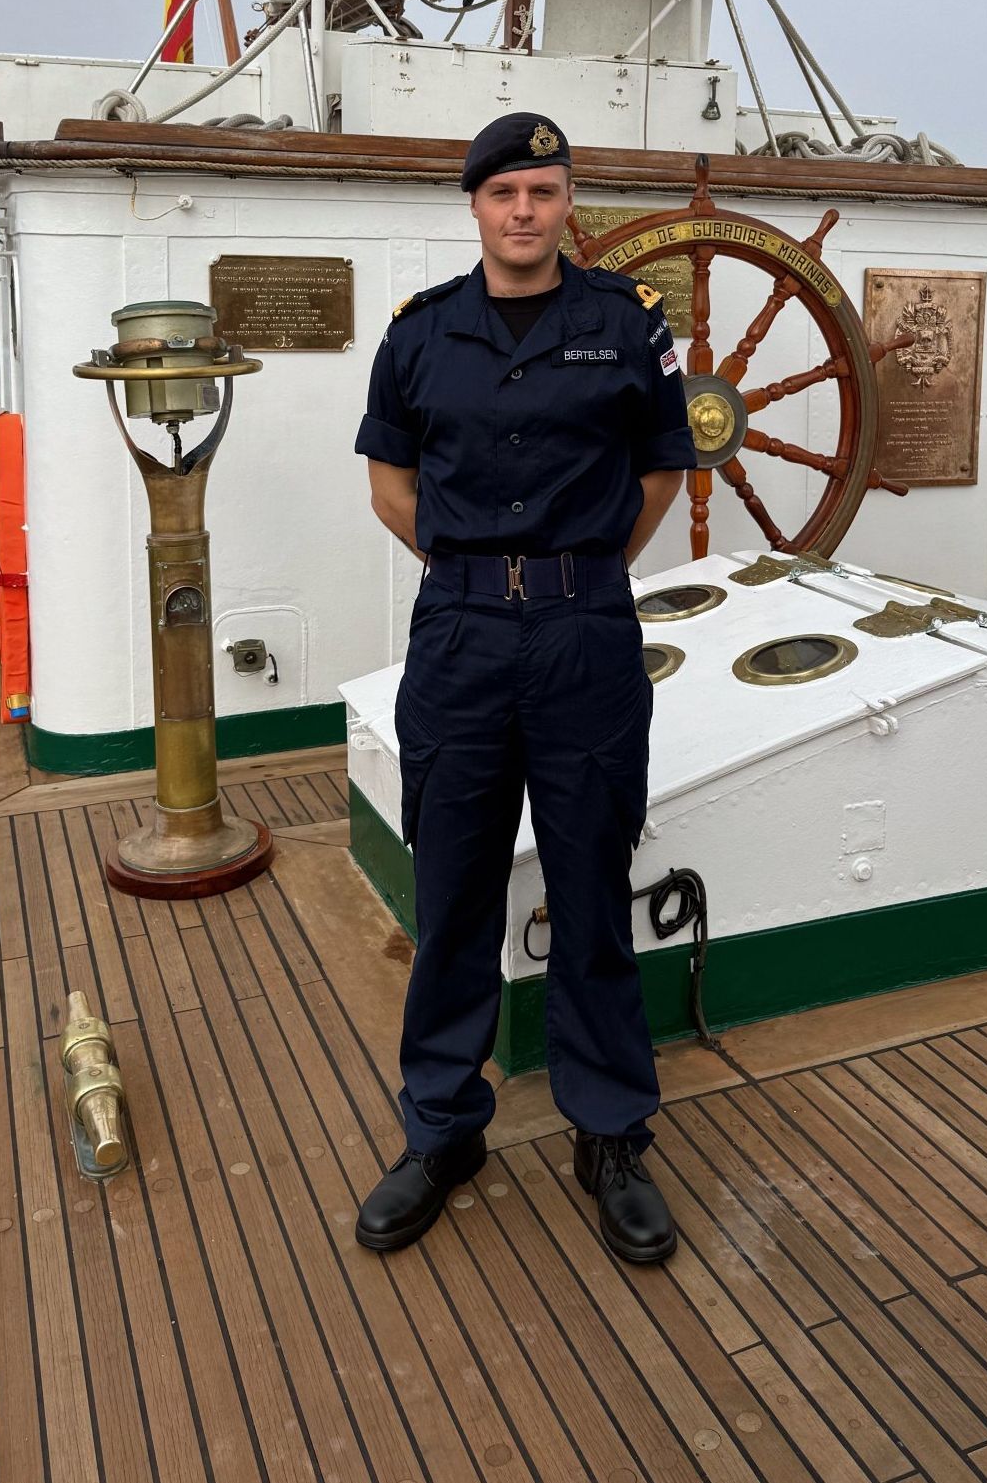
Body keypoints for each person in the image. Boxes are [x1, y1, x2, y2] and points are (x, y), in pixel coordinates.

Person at [353, 112, 697, 1265]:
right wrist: (479, 576)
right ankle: (444, 1130)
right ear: (477, 205)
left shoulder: (626, 328)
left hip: (583, 630)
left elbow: (660, 470)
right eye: (505, 193)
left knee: (593, 890)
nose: (524, 211)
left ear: (565, 204)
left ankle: (610, 1135)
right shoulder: (418, 335)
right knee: (451, 888)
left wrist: (574, 570)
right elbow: (389, 483)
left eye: (544, 192)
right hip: (458, 633)